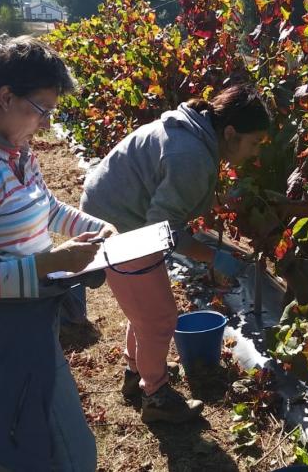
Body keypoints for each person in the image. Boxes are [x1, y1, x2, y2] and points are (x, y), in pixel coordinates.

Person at [0, 35, 117, 472]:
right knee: (65, 454)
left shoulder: (10, 149)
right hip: (6, 331)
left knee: (28, 442)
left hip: (28, 319)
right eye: (42, 110)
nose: (46, 124)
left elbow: (44, 207)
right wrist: (50, 264)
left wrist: (96, 228)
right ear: (5, 96)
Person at [80, 84, 271, 423]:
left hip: (117, 208)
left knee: (145, 309)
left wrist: (222, 201)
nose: (256, 154)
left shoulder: (196, 132)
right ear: (230, 132)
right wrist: (214, 257)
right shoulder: (192, 156)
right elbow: (162, 232)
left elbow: (172, 192)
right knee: (160, 317)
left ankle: (134, 374)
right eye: (254, 143)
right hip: (118, 223)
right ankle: (156, 398)